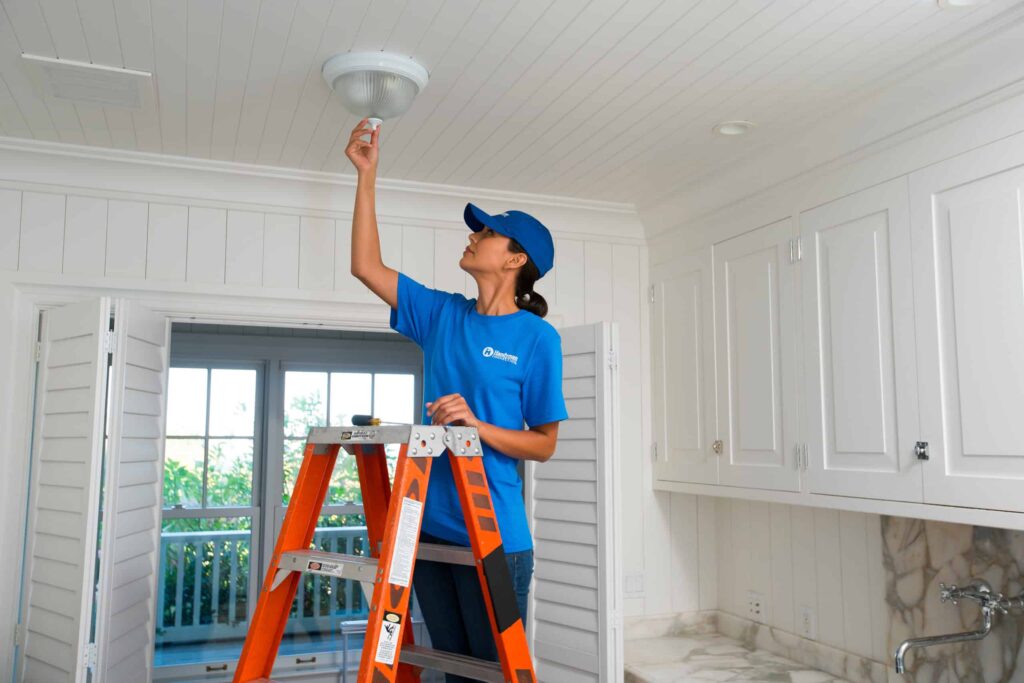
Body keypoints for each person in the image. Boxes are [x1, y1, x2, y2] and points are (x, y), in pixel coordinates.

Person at [345, 117, 568, 679]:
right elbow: (365, 267)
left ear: (516, 260)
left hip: (495, 537)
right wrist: (366, 176)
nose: (472, 236)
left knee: (491, 673)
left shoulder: (538, 340)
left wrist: (473, 426)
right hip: (429, 529)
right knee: (452, 670)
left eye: (486, 232)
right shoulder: (444, 315)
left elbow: (543, 446)